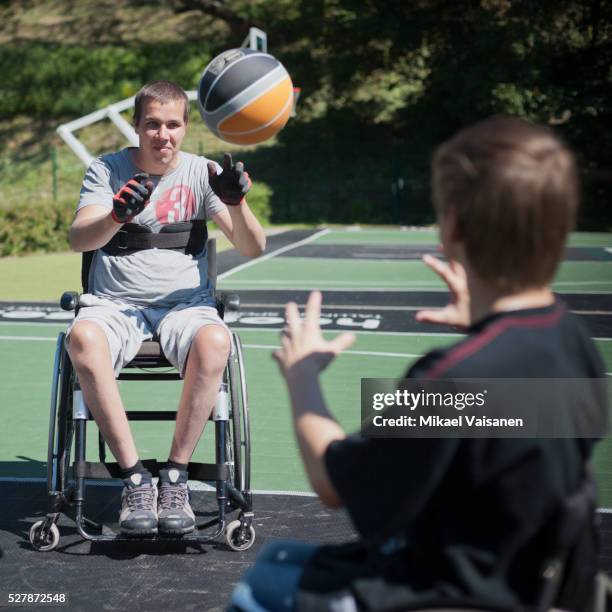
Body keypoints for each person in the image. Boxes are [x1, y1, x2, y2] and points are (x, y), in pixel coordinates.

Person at [229, 116, 607, 611]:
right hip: (533, 580)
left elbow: (332, 482)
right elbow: (513, 411)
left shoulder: (451, 381)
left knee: (263, 584)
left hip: (452, 593)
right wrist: (486, 327)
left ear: (450, 228)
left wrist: (303, 379)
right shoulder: (574, 341)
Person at [66, 80, 266, 536]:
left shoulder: (203, 173)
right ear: (136, 126)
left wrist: (238, 204)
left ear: (185, 127)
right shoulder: (107, 169)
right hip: (115, 304)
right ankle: (135, 478)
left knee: (217, 339)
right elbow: (79, 238)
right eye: (152, 124)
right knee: (82, 336)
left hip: (184, 306)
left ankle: (175, 477)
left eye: (173, 124)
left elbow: (253, 247)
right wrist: (116, 215)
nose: (163, 135)